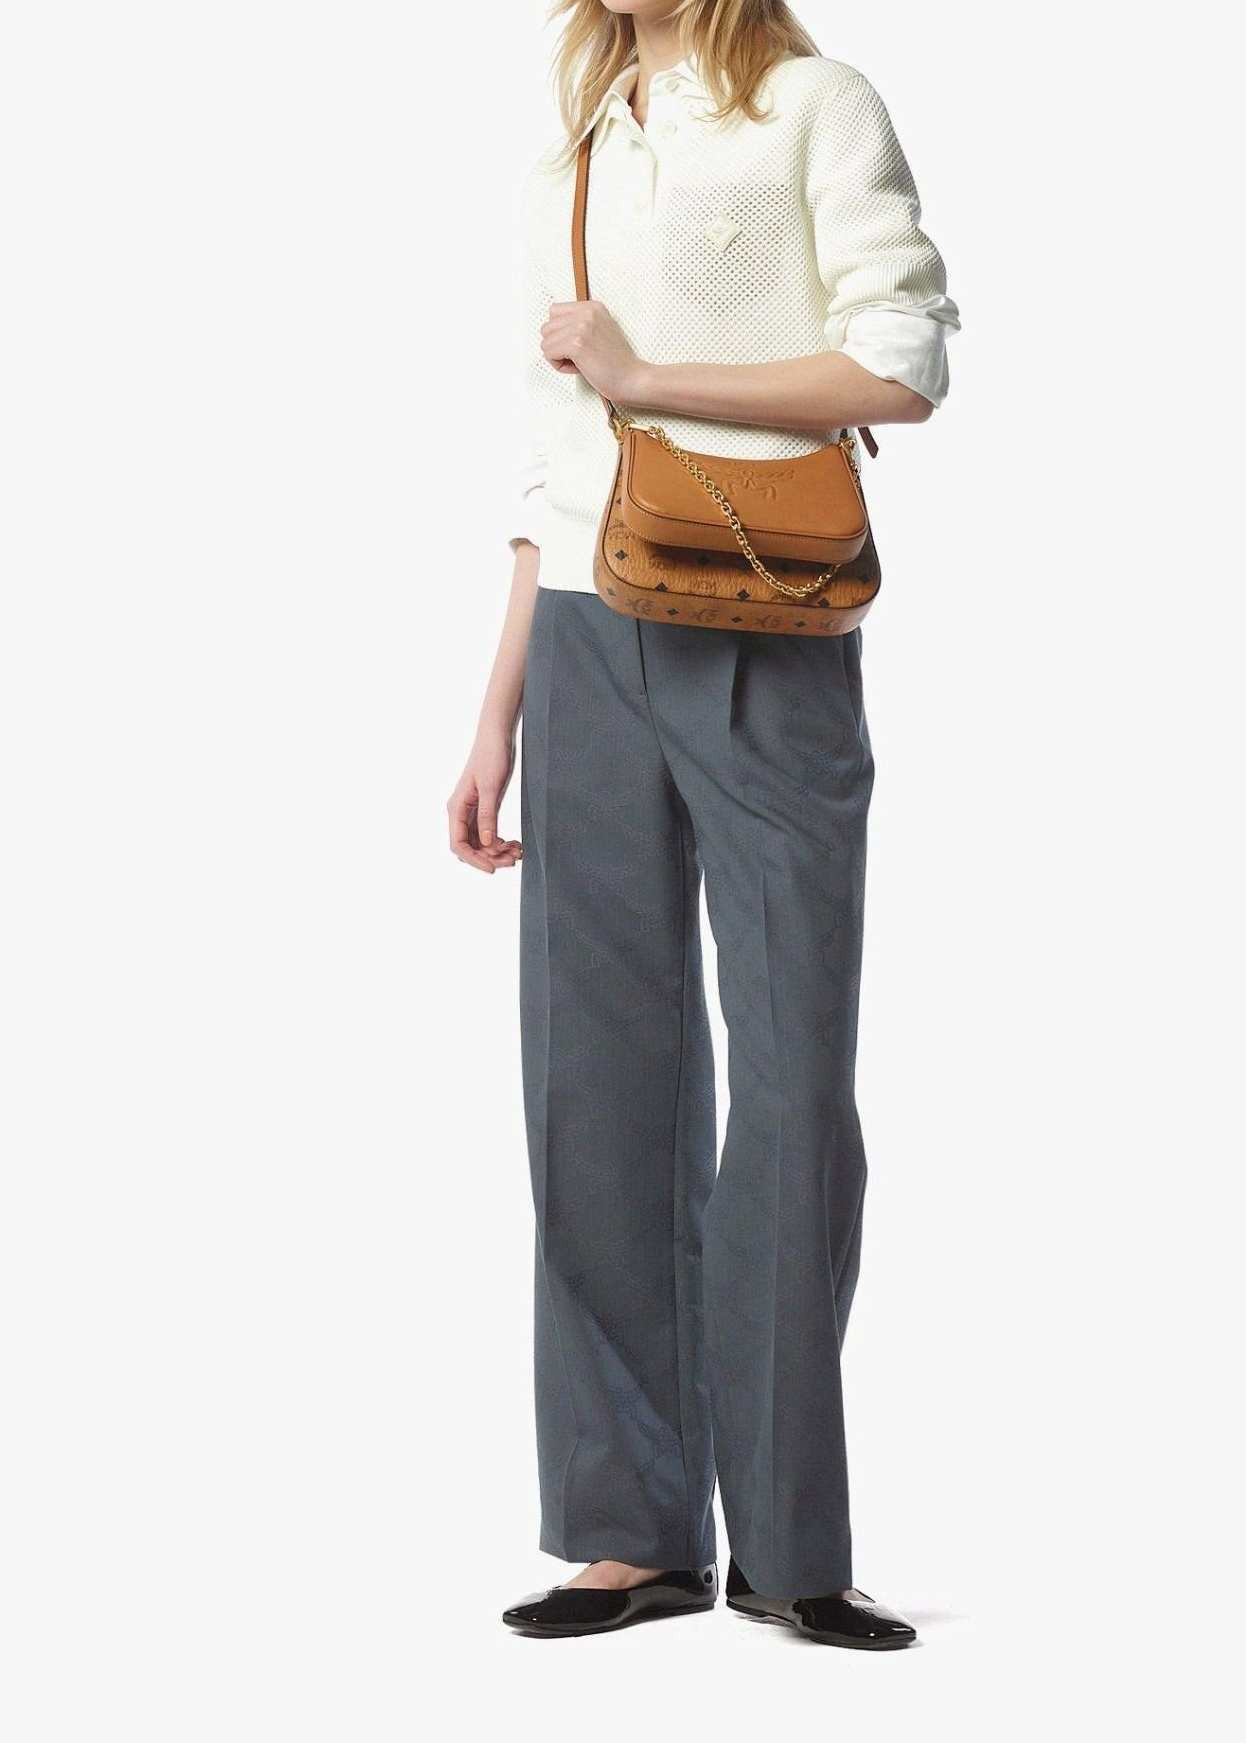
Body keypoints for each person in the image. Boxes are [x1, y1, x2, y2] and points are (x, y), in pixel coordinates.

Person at [448, 0, 958, 1650]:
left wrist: (650, 377)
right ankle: (631, 1531)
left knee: (793, 1075)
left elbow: (903, 364)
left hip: (765, 617)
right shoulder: (580, 149)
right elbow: (552, 462)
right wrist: (499, 709)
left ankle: (794, 1545)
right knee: (592, 1076)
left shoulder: (816, 103)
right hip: (585, 627)